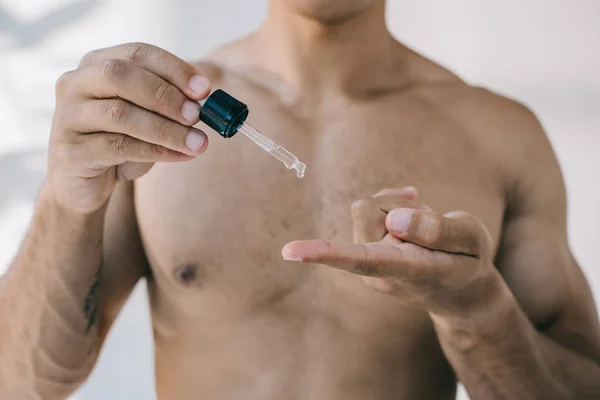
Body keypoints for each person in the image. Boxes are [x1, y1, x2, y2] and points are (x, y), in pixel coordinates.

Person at [1, 0, 600, 398]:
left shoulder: (500, 137)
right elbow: (22, 381)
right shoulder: (150, 122)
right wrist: (65, 196)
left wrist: (478, 313)